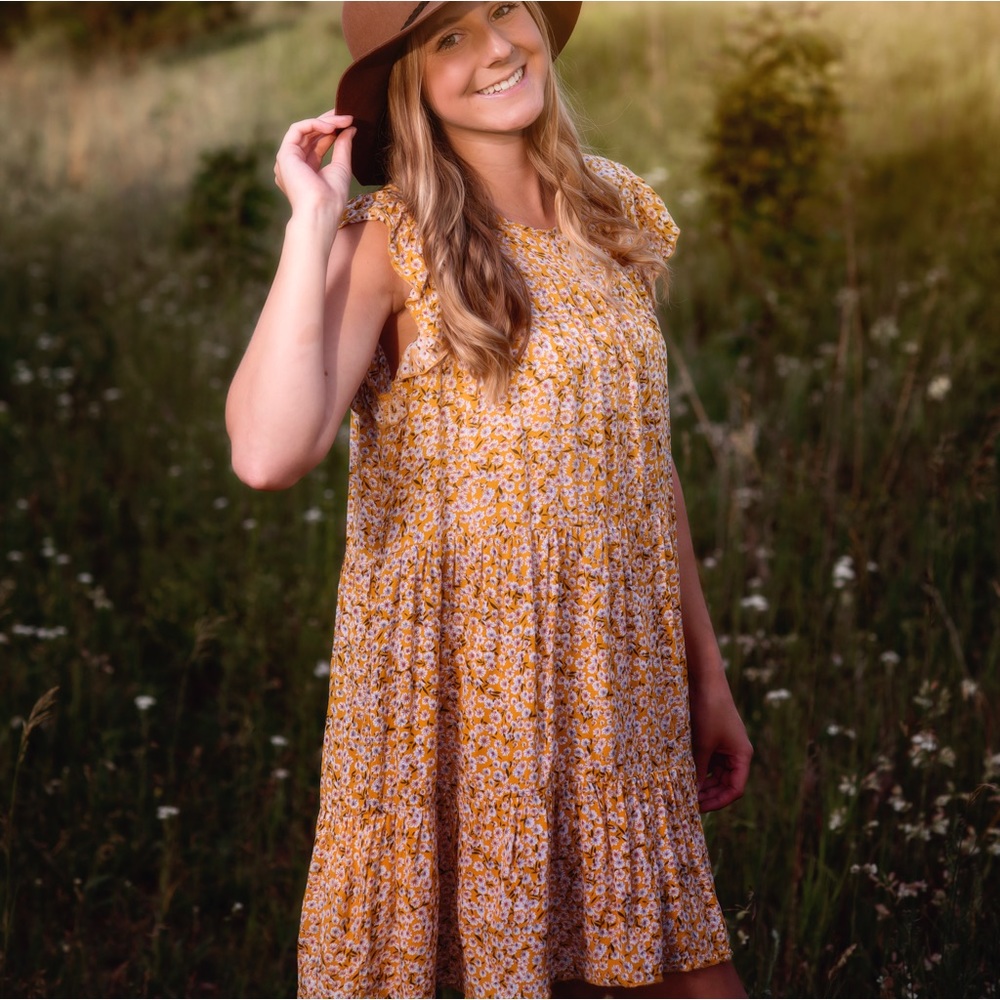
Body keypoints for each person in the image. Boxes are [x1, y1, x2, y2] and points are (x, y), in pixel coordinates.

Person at [226, 2, 753, 997]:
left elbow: (643, 466)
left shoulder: (617, 210)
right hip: (464, 696)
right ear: (408, 82)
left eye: (502, 9)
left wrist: (706, 674)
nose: (497, 48)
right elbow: (266, 451)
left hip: (614, 684)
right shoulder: (389, 241)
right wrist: (309, 223)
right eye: (448, 38)